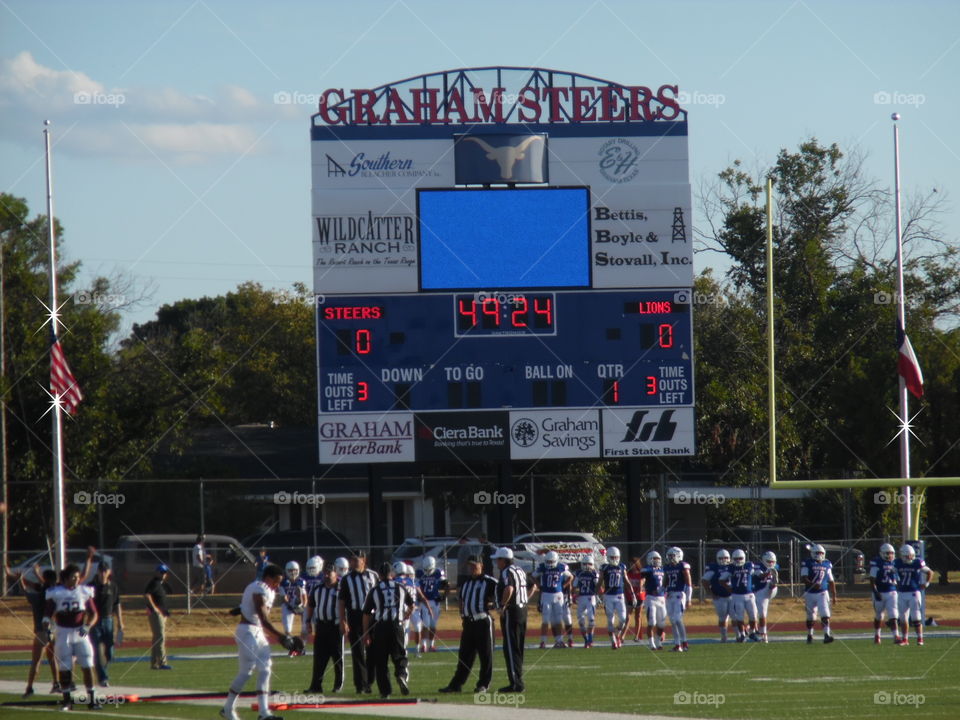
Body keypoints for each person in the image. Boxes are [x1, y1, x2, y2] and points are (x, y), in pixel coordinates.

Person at [220, 563, 303, 720]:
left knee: (266, 669)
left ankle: (264, 713)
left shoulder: (263, 589)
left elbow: (251, 609)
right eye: (276, 581)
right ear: (268, 578)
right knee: (246, 672)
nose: (277, 585)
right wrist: (281, 636)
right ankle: (228, 708)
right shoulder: (260, 588)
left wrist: (240, 608)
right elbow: (263, 617)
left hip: (257, 631)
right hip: (248, 632)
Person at [44, 564, 100, 711]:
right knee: (65, 668)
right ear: (65, 578)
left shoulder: (84, 591)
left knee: (88, 665)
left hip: (80, 632)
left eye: (77, 576)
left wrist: (88, 625)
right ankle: (67, 701)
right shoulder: (56, 592)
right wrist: (47, 628)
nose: (76, 579)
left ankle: (92, 699)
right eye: (73, 577)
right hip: (63, 632)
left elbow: (94, 613)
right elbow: (47, 614)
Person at [439, 555, 498, 694]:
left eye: (474, 565)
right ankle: (456, 684)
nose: (471, 568)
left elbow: (500, 597)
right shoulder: (466, 583)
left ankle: (484, 684)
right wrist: (463, 615)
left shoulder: (490, 582)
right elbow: (462, 600)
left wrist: (492, 606)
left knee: (486, 655)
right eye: (469, 566)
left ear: (481, 565)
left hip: (483, 621)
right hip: (468, 622)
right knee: (464, 656)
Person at [362, 562, 413, 699]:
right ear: (392, 574)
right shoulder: (401, 588)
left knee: (381, 661)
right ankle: (401, 674)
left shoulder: (375, 590)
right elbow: (412, 604)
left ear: (379, 575)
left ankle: (385, 691)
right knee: (400, 655)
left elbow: (366, 613)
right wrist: (407, 614)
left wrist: (366, 633)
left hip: (380, 627)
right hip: (397, 625)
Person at [14, 563, 60, 698]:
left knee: (36, 661)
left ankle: (30, 687)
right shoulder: (56, 596)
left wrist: (20, 581)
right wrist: (36, 573)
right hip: (54, 629)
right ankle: (56, 683)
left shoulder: (39, 597)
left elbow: (25, 592)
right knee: (53, 659)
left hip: (42, 631)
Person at [337, 552, 379, 694]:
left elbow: (380, 594)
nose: (354, 562)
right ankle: (361, 685)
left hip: (372, 616)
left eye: (357, 560)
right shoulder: (346, 579)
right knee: (358, 652)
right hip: (355, 617)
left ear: (364, 560)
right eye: (352, 560)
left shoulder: (373, 576)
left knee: (373, 651)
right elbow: (341, 602)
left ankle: (369, 680)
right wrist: (343, 620)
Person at [493, 546, 528, 692]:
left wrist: (502, 605)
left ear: (504, 560)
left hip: (512, 611)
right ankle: (517, 680)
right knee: (517, 647)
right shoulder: (519, 569)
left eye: (498, 560)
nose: (496, 563)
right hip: (522, 610)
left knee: (510, 647)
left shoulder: (507, 571)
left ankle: (516, 683)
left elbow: (509, 589)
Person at [304, 564, 343, 694]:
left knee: (337, 657)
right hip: (321, 625)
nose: (326, 576)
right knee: (319, 657)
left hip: (335, 625)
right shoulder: (317, 589)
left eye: (329, 573)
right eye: (325, 573)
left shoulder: (341, 589)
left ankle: (338, 685)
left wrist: (345, 621)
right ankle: (316, 685)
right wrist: (308, 621)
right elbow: (311, 605)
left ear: (335, 574)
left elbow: (345, 607)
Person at [89, 561, 124, 687]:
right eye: (101, 571)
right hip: (95, 622)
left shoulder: (113, 586)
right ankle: (103, 678)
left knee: (110, 652)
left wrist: (120, 622)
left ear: (109, 572)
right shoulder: (91, 587)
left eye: (105, 571)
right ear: (98, 572)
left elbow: (117, 604)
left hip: (108, 620)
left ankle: (102, 668)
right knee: (97, 651)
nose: (103, 573)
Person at [531, 550, 572, 649]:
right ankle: (543, 641)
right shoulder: (542, 567)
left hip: (558, 595)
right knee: (545, 620)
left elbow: (571, 577)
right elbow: (532, 576)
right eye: (548, 561)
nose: (549, 563)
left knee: (558, 619)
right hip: (546, 595)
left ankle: (559, 641)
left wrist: (564, 586)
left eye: (551, 561)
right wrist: (539, 585)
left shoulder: (561, 567)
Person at [894, 544, 933, 646]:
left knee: (916, 617)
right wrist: (893, 580)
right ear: (902, 555)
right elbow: (891, 572)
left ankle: (920, 638)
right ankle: (905, 639)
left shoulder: (917, 562)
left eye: (911, 555)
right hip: (902, 592)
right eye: (907, 556)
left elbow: (930, 572)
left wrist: (926, 583)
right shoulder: (897, 563)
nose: (910, 557)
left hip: (914, 592)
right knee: (903, 618)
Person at [599, 546, 637, 649]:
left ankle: (617, 635)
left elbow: (626, 581)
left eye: (616, 557)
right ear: (608, 557)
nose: (615, 559)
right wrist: (599, 594)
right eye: (612, 557)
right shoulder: (604, 567)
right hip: (608, 596)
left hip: (620, 595)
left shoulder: (622, 566)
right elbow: (600, 582)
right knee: (610, 621)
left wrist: (633, 594)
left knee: (623, 619)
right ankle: (613, 642)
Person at [720, 549, 761, 643]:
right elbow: (721, 579)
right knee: (739, 617)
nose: (738, 560)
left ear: (744, 558)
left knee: (754, 616)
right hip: (737, 595)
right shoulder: (731, 567)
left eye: (740, 558)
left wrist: (765, 574)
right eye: (736, 558)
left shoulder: (749, 565)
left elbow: (758, 573)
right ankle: (742, 634)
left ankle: (751, 632)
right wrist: (729, 588)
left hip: (749, 595)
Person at [800, 544, 837, 644]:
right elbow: (804, 577)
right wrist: (812, 584)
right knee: (811, 616)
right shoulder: (808, 563)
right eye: (818, 553)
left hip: (822, 592)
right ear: (813, 553)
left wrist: (834, 594)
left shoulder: (827, 564)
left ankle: (826, 635)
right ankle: (810, 635)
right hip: (810, 593)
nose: (820, 555)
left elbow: (831, 580)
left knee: (825, 614)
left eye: (821, 553)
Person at [413, 555, 447, 654]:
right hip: (424, 602)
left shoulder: (438, 572)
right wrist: (419, 598)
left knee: (433, 624)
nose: (427, 572)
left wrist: (443, 596)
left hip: (435, 601)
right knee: (426, 624)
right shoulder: (419, 573)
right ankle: (424, 645)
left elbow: (446, 584)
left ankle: (431, 644)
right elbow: (416, 587)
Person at [868, 544, 900, 645]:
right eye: (887, 553)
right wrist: (875, 592)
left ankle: (896, 636)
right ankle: (877, 635)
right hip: (880, 592)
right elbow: (872, 580)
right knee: (879, 615)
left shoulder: (895, 563)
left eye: (891, 553)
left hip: (892, 591)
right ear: (882, 553)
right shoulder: (877, 563)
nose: (889, 555)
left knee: (893, 614)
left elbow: (899, 578)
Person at [144, 564, 173, 669]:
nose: (163, 574)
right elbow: (147, 595)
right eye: (161, 572)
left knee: (157, 638)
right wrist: (154, 608)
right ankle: (162, 662)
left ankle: (154, 663)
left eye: (165, 572)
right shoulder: (154, 583)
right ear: (157, 572)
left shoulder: (160, 584)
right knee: (160, 637)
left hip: (161, 613)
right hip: (156, 614)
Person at [663, 547, 692, 651]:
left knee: (678, 619)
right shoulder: (667, 567)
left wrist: (689, 599)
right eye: (669, 556)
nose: (670, 558)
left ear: (679, 556)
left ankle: (684, 642)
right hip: (670, 595)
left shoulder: (683, 566)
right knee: (672, 621)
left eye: (672, 556)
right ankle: (677, 644)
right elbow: (665, 582)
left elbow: (689, 584)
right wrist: (662, 591)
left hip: (680, 594)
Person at [701, 549, 732, 642]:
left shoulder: (733, 566)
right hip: (719, 596)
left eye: (726, 558)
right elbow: (704, 580)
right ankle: (724, 637)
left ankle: (740, 635)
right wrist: (710, 592)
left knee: (736, 617)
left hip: (732, 596)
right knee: (722, 617)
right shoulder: (714, 568)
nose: (723, 560)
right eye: (721, 558)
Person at [639, 551, 667, 651]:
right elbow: (642, 576)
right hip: (651, 598)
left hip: (661, 598)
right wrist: (641, 586)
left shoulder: (663, 569)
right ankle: (651, 644)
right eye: (654, 558)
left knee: (662, 624)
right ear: (650, 559)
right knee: (652, 622)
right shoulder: (648, 569)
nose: (657, 560)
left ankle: (658, 642)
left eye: (658, 558)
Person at [572, 555, 600, 647]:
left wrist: (598, 596)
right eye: (585, 564)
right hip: (581, 598)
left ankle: (590, 640)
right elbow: (574, 585)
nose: (587, 566)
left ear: (592, 564)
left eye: (589, 564)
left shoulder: (594, 573)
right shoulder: (579, 573)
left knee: (591, 619)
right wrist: (573, 595)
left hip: (591, 598)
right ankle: (586, 639)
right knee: (581, 621)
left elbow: (597, 586)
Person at [755, 551, 779, 643]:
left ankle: (763, 634)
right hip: (758, 590)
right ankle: (754, 629)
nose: (771, 564)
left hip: (766, 591)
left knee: (762, 614)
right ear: (764, 560)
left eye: (772, 562)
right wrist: (768, 573)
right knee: (756, 613)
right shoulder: (758, 566)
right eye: (769, 561)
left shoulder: (775, 568)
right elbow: (760, 575)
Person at [279, 561, 307, 637]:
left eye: (295, 570)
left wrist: (303, 606)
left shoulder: (301, 581)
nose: (293, 572)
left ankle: (302, 645)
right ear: (286, 571)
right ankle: (291, 644)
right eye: (291, 570)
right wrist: (290, 606)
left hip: (300, 604)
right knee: (287, 629)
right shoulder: (283, 582)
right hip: (288, 605)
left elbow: (304, 596)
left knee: (305, 629)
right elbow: (283, 597)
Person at [302, 556, 325, 639]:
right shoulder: (303, 576)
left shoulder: (323, 576)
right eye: (310, 568)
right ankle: (302, 647)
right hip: (308, 603)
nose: (311, 570)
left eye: (313, 568)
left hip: (319, 604)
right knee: (305, 628)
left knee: (318, 626)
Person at [626, 556, 645, 642]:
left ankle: (637, 635)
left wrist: (640, 590)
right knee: (628, 616)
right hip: (630, 596)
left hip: (639, 596)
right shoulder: (628, 573)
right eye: (630, 564)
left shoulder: (641, 573)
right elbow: (627, 585)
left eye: (633, 564)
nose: (631, 565)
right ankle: (623, 634)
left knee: (638, 616)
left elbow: (642, 582)